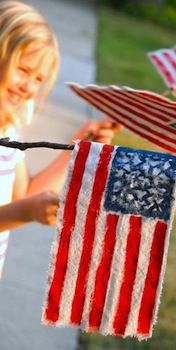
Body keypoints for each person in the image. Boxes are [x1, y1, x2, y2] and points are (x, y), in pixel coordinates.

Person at [0, 1, 120, 277]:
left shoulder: (8, 129)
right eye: (24, 69)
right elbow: (24, 205)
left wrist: (75, 150)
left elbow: (23, 195)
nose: (29, 87)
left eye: (39, 78)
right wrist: (28, 212)